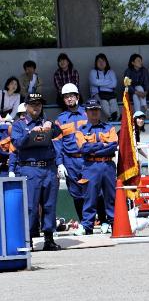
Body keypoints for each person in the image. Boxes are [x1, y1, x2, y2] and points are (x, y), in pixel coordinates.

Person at [11, 93, 63, 250]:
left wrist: (51, 125)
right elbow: (17, 143)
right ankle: (29, 240)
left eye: (39, 104)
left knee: (49, 205)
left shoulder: (45, 121)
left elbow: (58, 132)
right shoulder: (19, 124)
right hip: (29, 168)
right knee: (31, 207)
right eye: (33, 104)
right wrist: (31, 133)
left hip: (48, 167)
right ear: (26, 106)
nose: (36, 107)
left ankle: (49, 239)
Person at [75, 99, 118, 235]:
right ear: (86, 112)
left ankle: (114, 223)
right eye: (91, 110)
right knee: (90, 197)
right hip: (90, 165)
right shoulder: (80, 130)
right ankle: (87, 226)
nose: (94, 112)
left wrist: (94, 148)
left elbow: (113, 146)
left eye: (97, 109)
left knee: (111, 196)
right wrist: (102, 145)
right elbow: (83, 148)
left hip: (108, 164)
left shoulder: (109, 127)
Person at [53, 83, 88, 221]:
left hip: (88, 158)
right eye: (66, 97)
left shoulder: (88, 113)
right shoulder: (60, 120)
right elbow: (57, 144)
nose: (69, 99)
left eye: (71, 96)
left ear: (77, 97)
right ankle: (84, 223)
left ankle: (102, 221)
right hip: (70, 161)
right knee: (76, 193)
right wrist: (59, 164)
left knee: (94, 191)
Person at [89, 53, 119, 121]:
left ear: (106, 62)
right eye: (99, 61)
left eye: (103, 61)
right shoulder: (93, 72)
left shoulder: (111, 72)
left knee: (113, 101)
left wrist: (100, 82)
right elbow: (94, 82)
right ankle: (110, 117)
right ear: (96, 63)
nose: (101, 63)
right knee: (104, 102)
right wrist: (108, 82)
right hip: (97, 94)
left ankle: (115, 116)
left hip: (110, 94)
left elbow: (114, 84)